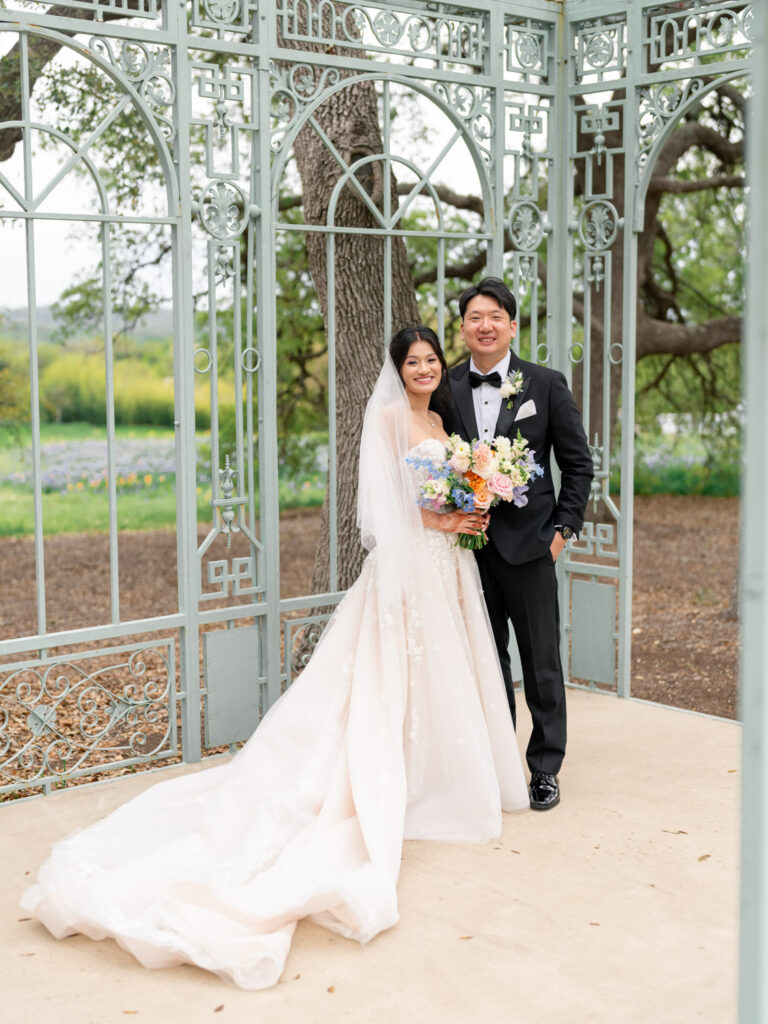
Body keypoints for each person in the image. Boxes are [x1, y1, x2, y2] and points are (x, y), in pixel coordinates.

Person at [21, 326, 529, 991]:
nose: (426, 369)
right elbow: (385, 507)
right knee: (387, 678)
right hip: (409, 566)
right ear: (397, 368)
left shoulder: (438, 417)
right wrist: (448, 518)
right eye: (414, 361)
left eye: (433, 359)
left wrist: (473, 503)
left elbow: (448, 493)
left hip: (444, 569)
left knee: (439, 676)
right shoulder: (384, 417)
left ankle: (431, 772)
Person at [445, 278, 594, 812]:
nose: (484, 326)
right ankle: (497, 763)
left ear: (511, 324)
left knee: (541, 662)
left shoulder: (546, 385)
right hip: (467, 553)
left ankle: (545, 767)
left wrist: (562, 534)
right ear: (462, 328)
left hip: (532, 550)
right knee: (484, 660)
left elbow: (578, 464)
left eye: (495, 317)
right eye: (474, 318)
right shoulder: (447, 387)